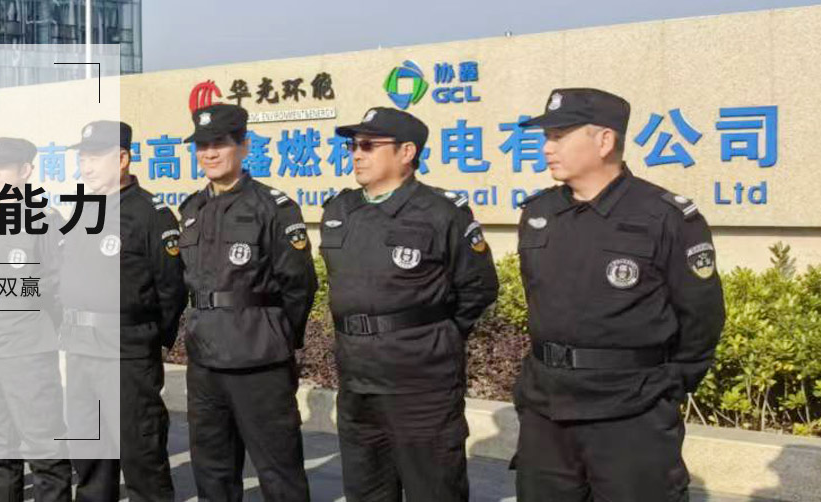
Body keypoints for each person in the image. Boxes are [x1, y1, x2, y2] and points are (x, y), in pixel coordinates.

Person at [510, 88, 725, 501]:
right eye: (546, 137)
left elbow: (701, 316)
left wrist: (666, 383)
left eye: (559, 136)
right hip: (546, 407)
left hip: (630, 410)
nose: (546, 147)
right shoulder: (539, 213)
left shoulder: (664, 216)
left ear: (604, 141)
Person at [322, 107, 500, 501]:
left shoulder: (441, 212)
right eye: (353, 145)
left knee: (433, 491)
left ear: (406, 152)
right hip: (357, 383)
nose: (357, 153)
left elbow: (478, 288)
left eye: (369, 145)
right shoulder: (340, 210)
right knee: (366, 491)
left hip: (421, 387)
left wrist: (434, 336)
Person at [176, 103, 317, 502]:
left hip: (259, 361)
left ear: (244, 146)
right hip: (205, 362)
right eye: (202, 146)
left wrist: (277, 336)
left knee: (279, 472)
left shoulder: (273, 207)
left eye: (219, 143)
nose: (209, 153)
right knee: (212, 471)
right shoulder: (192, 210)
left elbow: (299, 286)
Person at [64, 121, 183, 502]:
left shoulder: (151, 214)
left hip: (125, 352)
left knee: (140, 451)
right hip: (81, 349)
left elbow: (171, 289)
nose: (86, 166)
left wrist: (146, 339)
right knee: (89, 452)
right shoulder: (83, 210)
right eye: (82, 158)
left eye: (94, 157)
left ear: (122, 159)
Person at [0, 137, 72, 502]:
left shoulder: (45, 219)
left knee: (43, 440)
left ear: (26, 170)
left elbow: (61, 285)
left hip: (26, 346)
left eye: (4, 167)